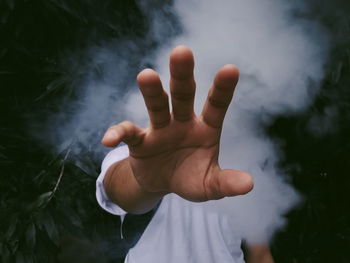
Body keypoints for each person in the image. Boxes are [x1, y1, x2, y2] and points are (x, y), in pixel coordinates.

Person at [96, 45, 274, 263]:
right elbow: (121, 192)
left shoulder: (249, 166)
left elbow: (260, 254)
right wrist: (148, 183)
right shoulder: (137, 156)